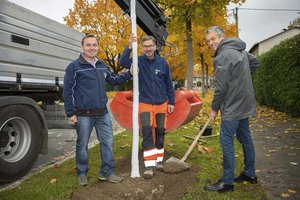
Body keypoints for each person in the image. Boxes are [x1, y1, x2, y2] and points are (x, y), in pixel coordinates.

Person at [63, 34, 132, 186]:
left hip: (102, 113)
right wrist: (71, 113)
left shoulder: (102, 65)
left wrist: (129, 74)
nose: (92, 48)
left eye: (94, 45)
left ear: (98, 47)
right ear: (82, 47)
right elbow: (67, 91)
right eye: (88, 45)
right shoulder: (74, 67)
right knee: (82, 145)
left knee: (107, 142)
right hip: (83, 114)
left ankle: (106, 172)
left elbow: (114, 80)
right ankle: (82, 173)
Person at [204, 26, 260, 192]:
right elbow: (256, 62)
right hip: (245, 102)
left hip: (233, 105)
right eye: (208, 41)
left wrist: (214, 109)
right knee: (245, 137)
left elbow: (220, 88)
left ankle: (227, 182)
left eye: (213, 39)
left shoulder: (222, 56)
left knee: (226, 140)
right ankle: (250, 174)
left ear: (222, 37)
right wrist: (240, 79)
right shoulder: (240, 49)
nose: (210, 43)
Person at [119, 34, 175, 179]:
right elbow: (122, 61)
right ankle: (149, 165)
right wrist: (129, 46)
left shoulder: (163, 63)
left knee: (161, 131)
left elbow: (169, 84)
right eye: (145, 46)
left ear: (155, 47)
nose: (148, 48)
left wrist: (172, 102)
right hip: (144, 103)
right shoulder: (138, 61)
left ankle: (159, 160)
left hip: (162, 104)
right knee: (147, 132)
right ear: (142, 48)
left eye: (150, 46)